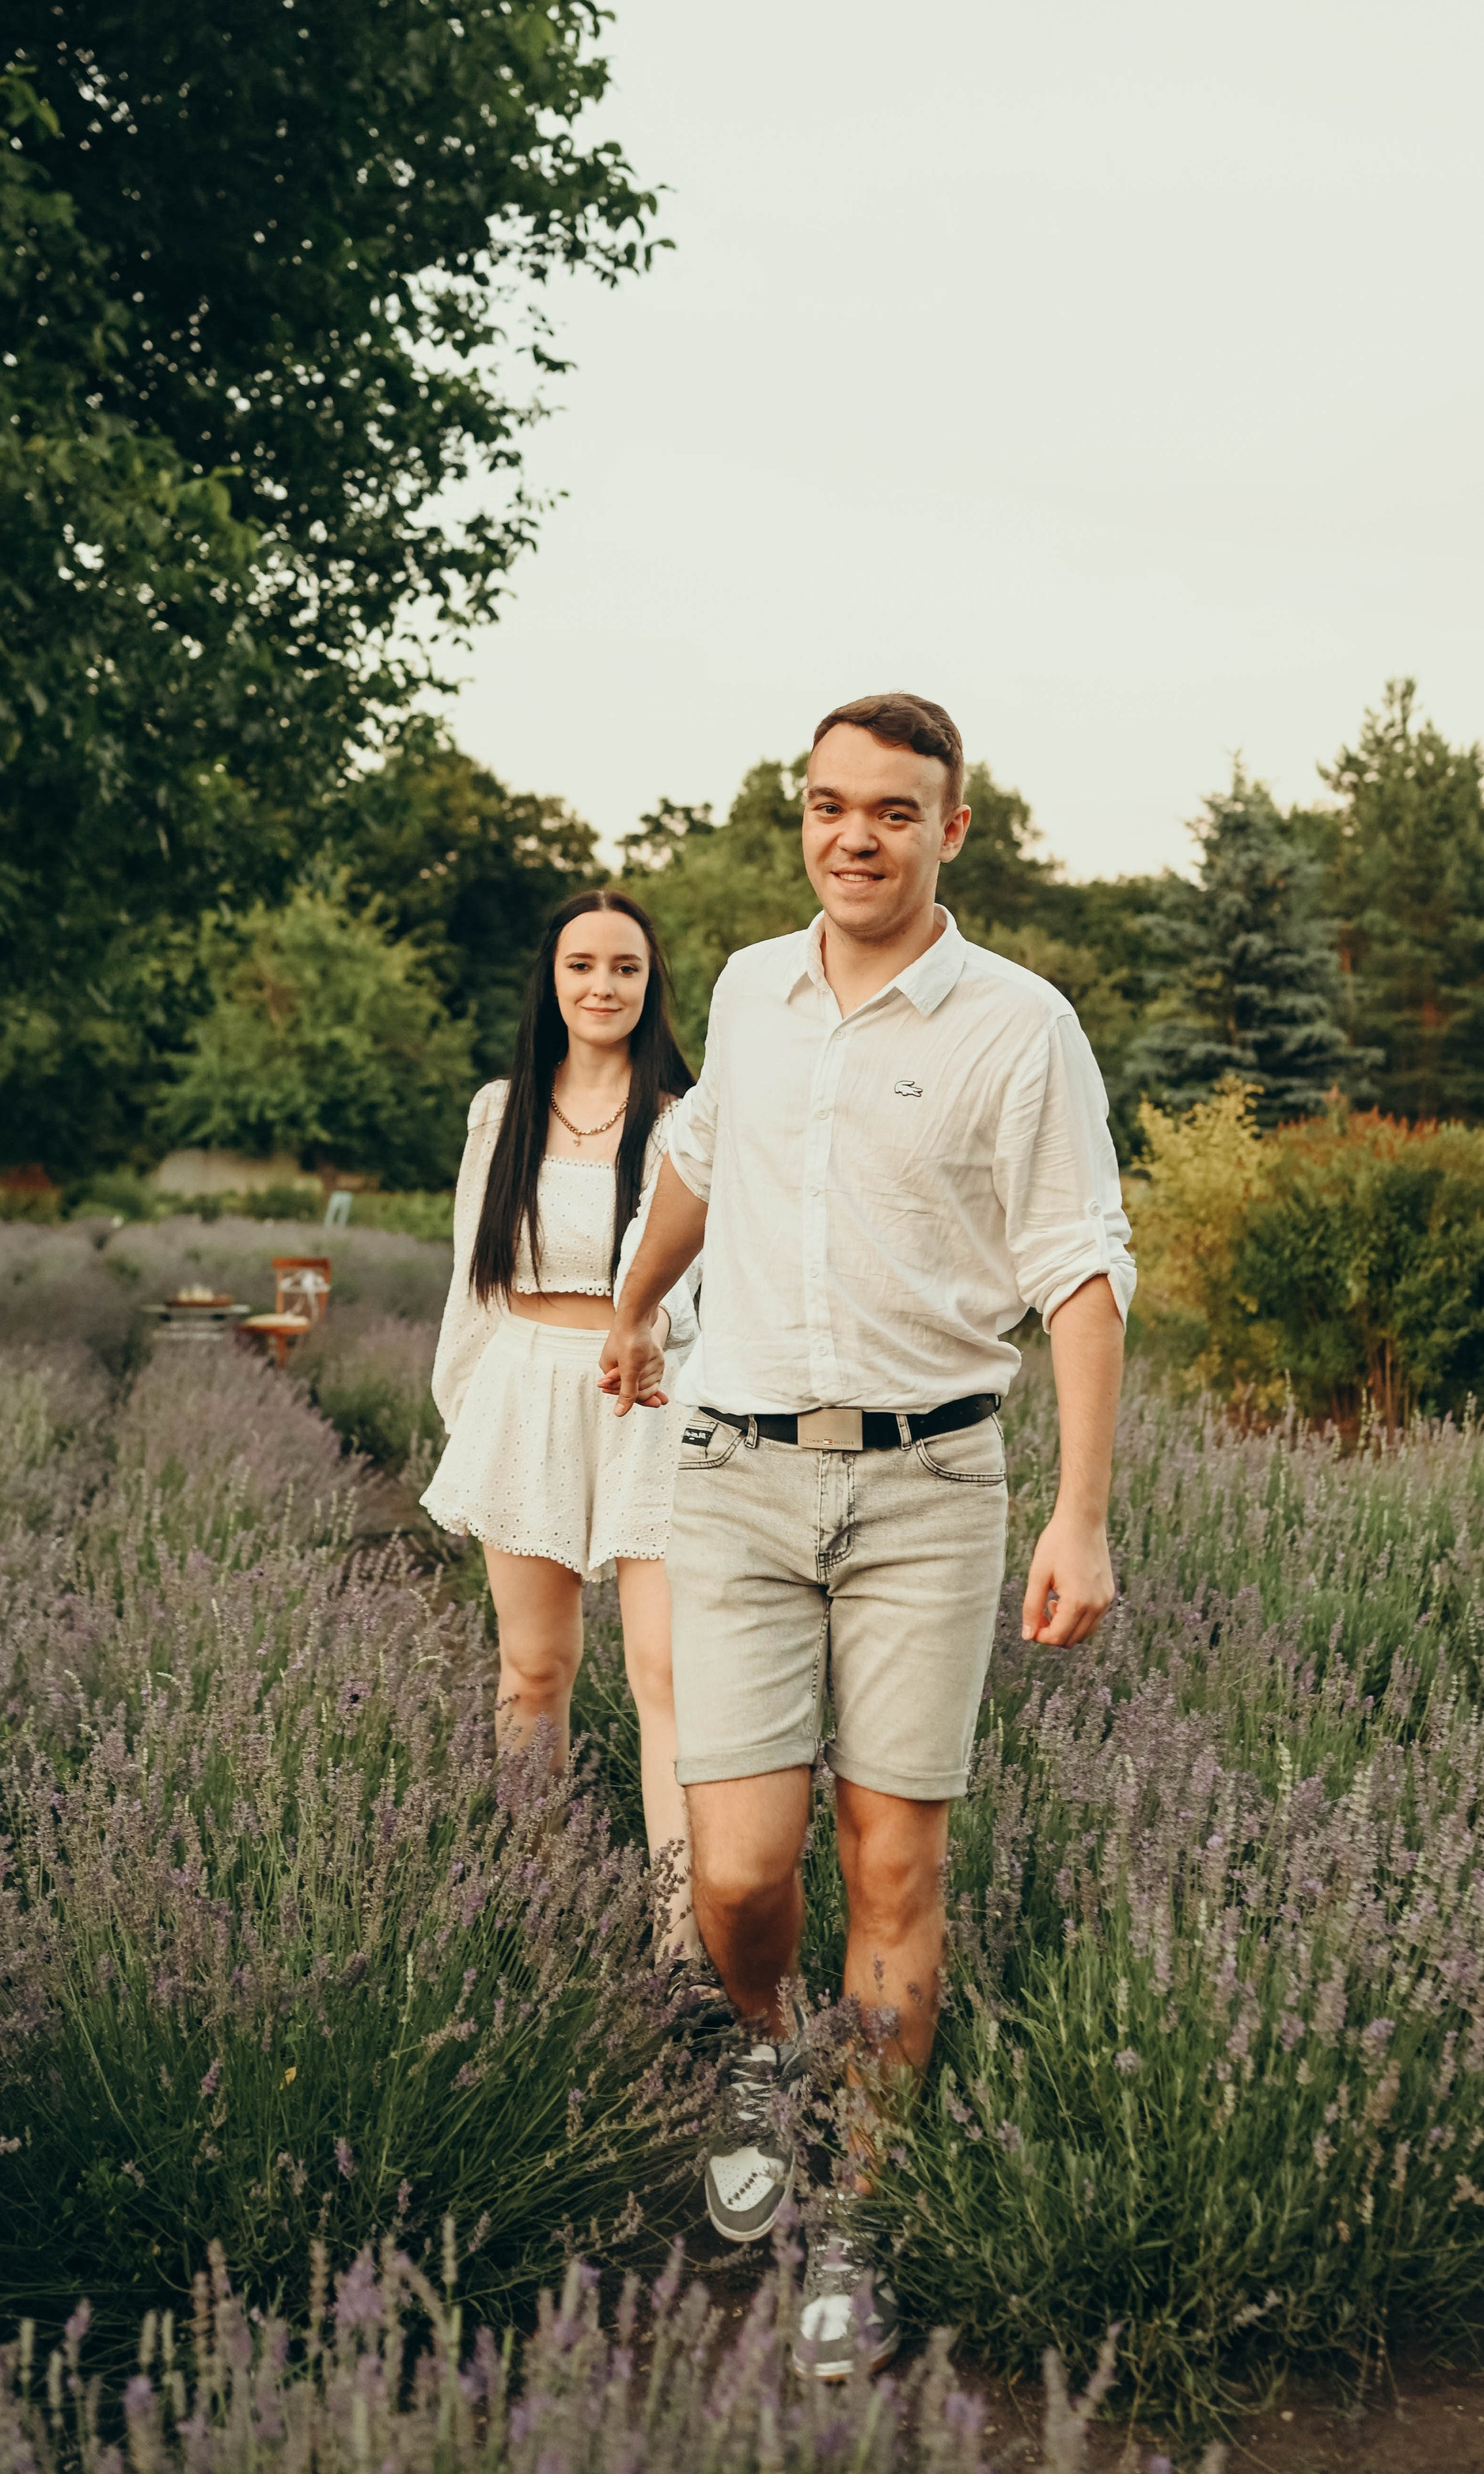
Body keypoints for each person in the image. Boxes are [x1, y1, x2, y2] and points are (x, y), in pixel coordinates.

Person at [602, 693, 1135, 2377]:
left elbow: (1080, 1263)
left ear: (952, 827)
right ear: (802, 818)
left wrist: (1081, 1510)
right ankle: (763, 2053)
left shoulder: (1018, 1023)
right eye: (830, 806)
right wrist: (634, 1303)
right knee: (744, 1868)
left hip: (926, 1486)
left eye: (892, 811)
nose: (856, 835)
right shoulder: (755, 991)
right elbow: (696, 1160)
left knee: (893, 1859)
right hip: (739, 1473)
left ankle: (859, 2214)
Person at [423, 887, 701, 1954]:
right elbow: (472, 1278)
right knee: (533, 1670)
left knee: (665, 1677)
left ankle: (683, 1942)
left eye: (625, 968)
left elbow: (704, 1280)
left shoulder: (684, 1119)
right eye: (582, 965)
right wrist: (468, 1411)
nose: (602, 986)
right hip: (526, 1388)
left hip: (646, 1397)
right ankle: (538, 1913)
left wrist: (656, 1335)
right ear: (552, 978)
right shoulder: (503, 1110)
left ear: (649, 984)